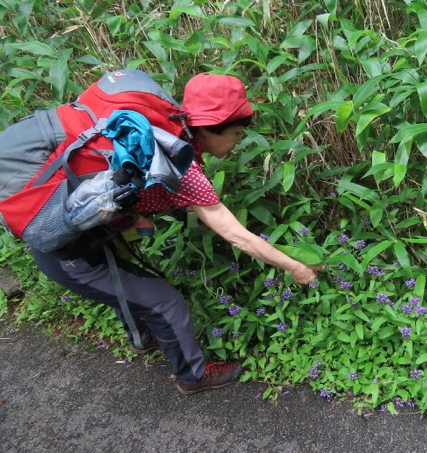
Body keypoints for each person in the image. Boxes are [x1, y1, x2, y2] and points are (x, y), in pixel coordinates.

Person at [31, 73, 322, 395]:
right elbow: (238, 236)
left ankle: (144, 338)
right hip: (63, 249)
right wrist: (297, 268)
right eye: (237, 133)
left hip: (77, 231)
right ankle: (193, 376)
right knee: (165, 304)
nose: (239, 142)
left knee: (126, 285)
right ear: (211, 128)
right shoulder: (183, 168)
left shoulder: (164, 133)